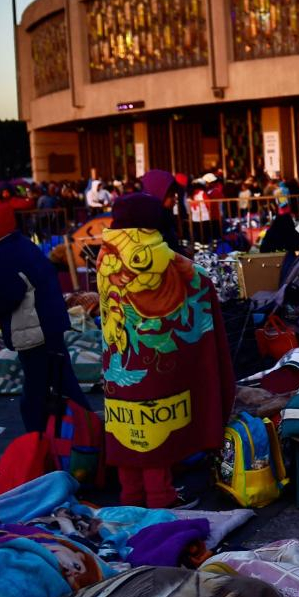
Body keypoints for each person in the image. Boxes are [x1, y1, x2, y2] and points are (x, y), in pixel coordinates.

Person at [96, 194, 234, 508]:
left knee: (126, 427)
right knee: (154, 428)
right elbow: (199, 285)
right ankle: (161, 497)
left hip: (119, 355)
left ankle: (131, 496)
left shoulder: (106, 253)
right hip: (155, 359)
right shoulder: (159, 253)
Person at [0, 203, 92, 434]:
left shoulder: (5, 256)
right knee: (62, 381)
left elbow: (10, 293)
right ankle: (89, 434)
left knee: (35, 394)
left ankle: (39, 443)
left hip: (34, 330)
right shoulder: (23, 246)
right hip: (49, 323)